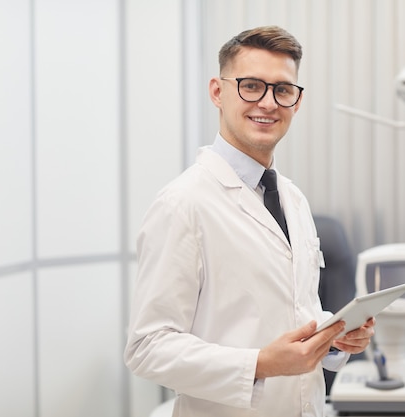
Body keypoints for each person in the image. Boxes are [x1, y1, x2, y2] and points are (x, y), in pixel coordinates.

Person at [124, 25, 375, 417]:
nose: (268, 102)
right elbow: (147, 348)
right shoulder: (182, 204)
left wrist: (332, 336)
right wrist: (260, 363)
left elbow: (291, 311)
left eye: (283, 90)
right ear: (217, 92)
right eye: (251, 86)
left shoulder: (292, 198)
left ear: (297, 101)